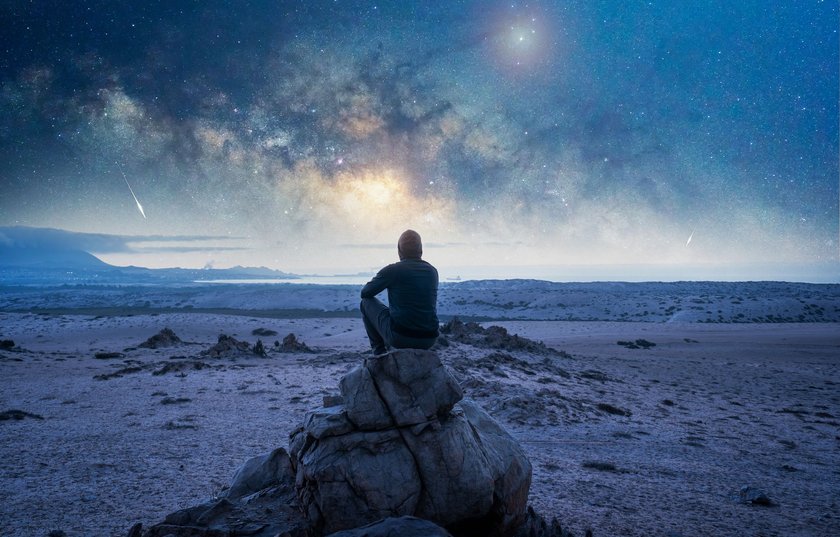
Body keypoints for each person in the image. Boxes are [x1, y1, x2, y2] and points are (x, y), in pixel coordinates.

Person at [360, 229, 439, 355]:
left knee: (365, 303)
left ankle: (379, 353)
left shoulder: (393, 270)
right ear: (421, 250)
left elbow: (365, 293)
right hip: (429, 339)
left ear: (399, 250)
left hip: (400, 337)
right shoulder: (432, 271)